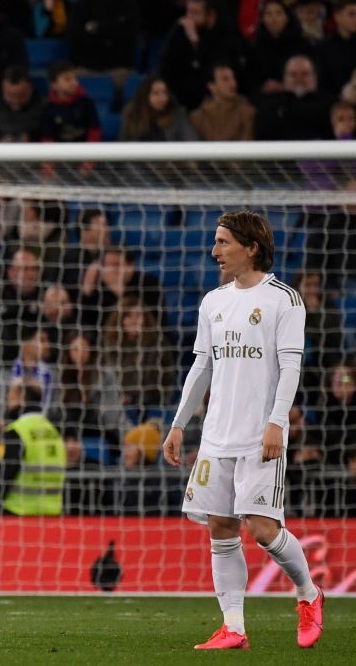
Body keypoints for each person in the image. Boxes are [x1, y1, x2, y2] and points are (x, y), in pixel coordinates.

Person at [163, 210, 323, 650]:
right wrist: (179, 424)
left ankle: (309, 595)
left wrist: (277, 421)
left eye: (223, 242)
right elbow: (201, 367)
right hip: (216, 436)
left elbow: (291, 366)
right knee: (220, 527)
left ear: (251, 247)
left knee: (263, 529)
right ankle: (233, 627)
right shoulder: (213, 302)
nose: (214, 252)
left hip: (260, 436)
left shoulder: (283, 300)